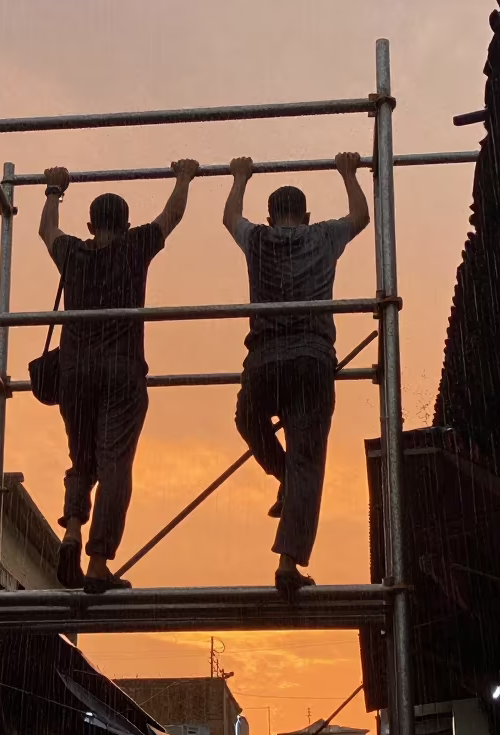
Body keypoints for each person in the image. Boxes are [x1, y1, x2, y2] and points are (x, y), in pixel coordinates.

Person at [40, 159, 201, 593]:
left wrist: (54, 190)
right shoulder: (134, 248)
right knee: (115, 466)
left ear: (90, 224)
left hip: (74, 373)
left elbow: (47, 231)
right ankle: (96, 563)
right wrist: (184, 177)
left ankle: (72, 530)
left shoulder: (73, 252)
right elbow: (172, 216)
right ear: (127, 224)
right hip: (121, 371)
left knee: (82, 460)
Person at [222, 152, 370, 594]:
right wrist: (348, 173)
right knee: (307, 460)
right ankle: (288, 561)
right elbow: (361, 215)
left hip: (264, 360)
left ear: (270, 217)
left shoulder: (257, 240)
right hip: (311, 357)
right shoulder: (322, 236)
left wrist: (240, 176)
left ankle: (285, 477)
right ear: (304, 216)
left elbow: (230, 216)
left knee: (247, 419)